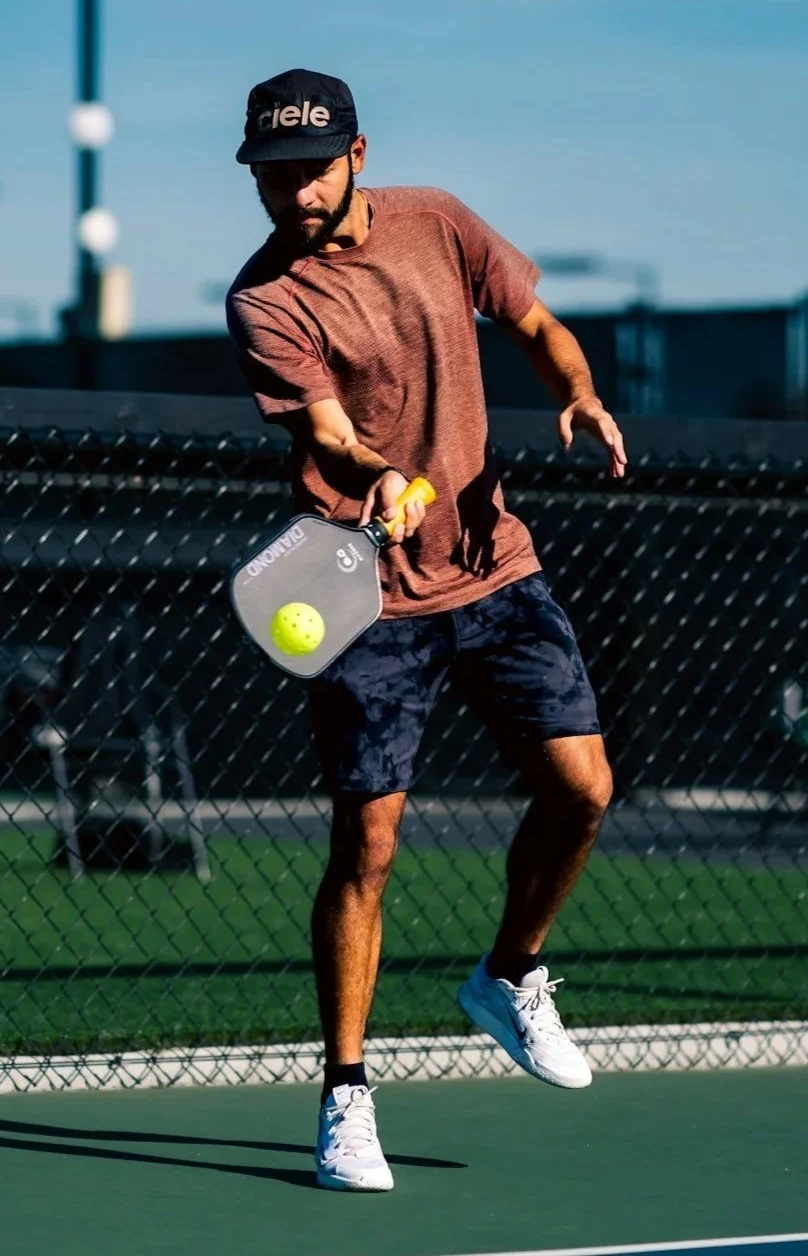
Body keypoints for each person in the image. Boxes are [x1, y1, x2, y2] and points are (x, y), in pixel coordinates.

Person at [227, 68, 627, 1193]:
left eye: (312, 170)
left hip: (495, 567)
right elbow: (327, 430)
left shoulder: (438, 222)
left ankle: (509, 974)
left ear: (357, 155)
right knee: (368, 847)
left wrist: (578, 390)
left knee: (584, 788)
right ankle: (346, 1094)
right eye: (273, 177)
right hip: (371, 600)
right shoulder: (264, 299)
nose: (296, 194)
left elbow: (535, 322)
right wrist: (379, 475)